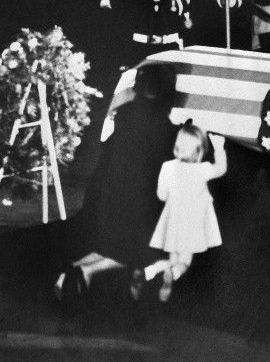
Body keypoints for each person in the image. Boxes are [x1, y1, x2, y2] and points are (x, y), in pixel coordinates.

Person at [55, 63, 178, 305]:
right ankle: (87, 271)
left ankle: (70, 271)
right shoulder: (162, 126)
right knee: (140, 253)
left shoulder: (125, 115)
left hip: (111, 197)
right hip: (138, 203)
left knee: (109, 247)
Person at [142, 123, 227, 302]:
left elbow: (161, 195)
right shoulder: (202, 169)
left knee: (172, 258)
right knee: (184, 263)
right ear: (199, 151)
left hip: (173, 222)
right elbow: (221, 169)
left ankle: (151, 270)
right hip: (192, 223)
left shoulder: (168, 167)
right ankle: (172, 273)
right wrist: (219, 148)